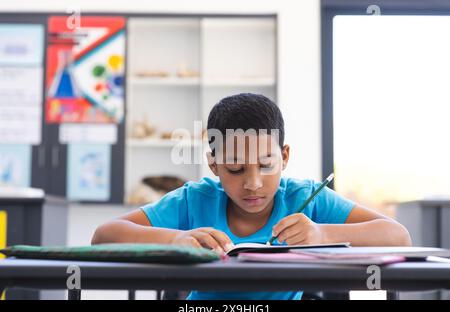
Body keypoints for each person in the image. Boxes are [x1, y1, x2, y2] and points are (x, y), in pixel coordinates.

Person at [92, 93, 411, 300]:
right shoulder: (195, 200)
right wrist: (174, 239)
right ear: (213, 163)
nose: (254, 183)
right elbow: (104, 236)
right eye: (235, 169)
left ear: (284, 157)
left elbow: (398, 237)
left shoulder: (306, 198)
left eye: (266, 165)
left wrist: (322, 233)